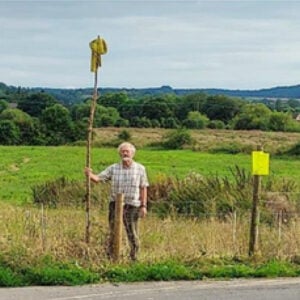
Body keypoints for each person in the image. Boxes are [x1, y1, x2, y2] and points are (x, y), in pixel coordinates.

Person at [84, 142, 149, 261]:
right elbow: (98, 179)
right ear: (119, 153)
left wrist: (143, 206)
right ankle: (112, 256)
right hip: (115, 204)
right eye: (122, 151)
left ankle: (134, 258)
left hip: (132, 205)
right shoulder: (113, 168)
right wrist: (89, 174)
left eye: (127, 151)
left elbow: (143, 187)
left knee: (132, 232)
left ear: (132, 154)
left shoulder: (140, 169)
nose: (125, 153)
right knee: (113, 231)